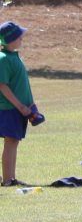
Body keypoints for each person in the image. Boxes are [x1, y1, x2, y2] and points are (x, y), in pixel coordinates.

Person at [0, 21, 44, 188]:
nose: (22, 39)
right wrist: (20, 106)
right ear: (11, 39)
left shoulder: (13, 56)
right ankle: (7, 180)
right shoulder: (3, 59)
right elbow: (2, 86)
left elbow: (21, 85)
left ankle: (10, 177)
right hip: (9, 108)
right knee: (11, 142)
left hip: (19, 108)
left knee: (14, 141)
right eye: (19, 36)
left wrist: (31, 105)